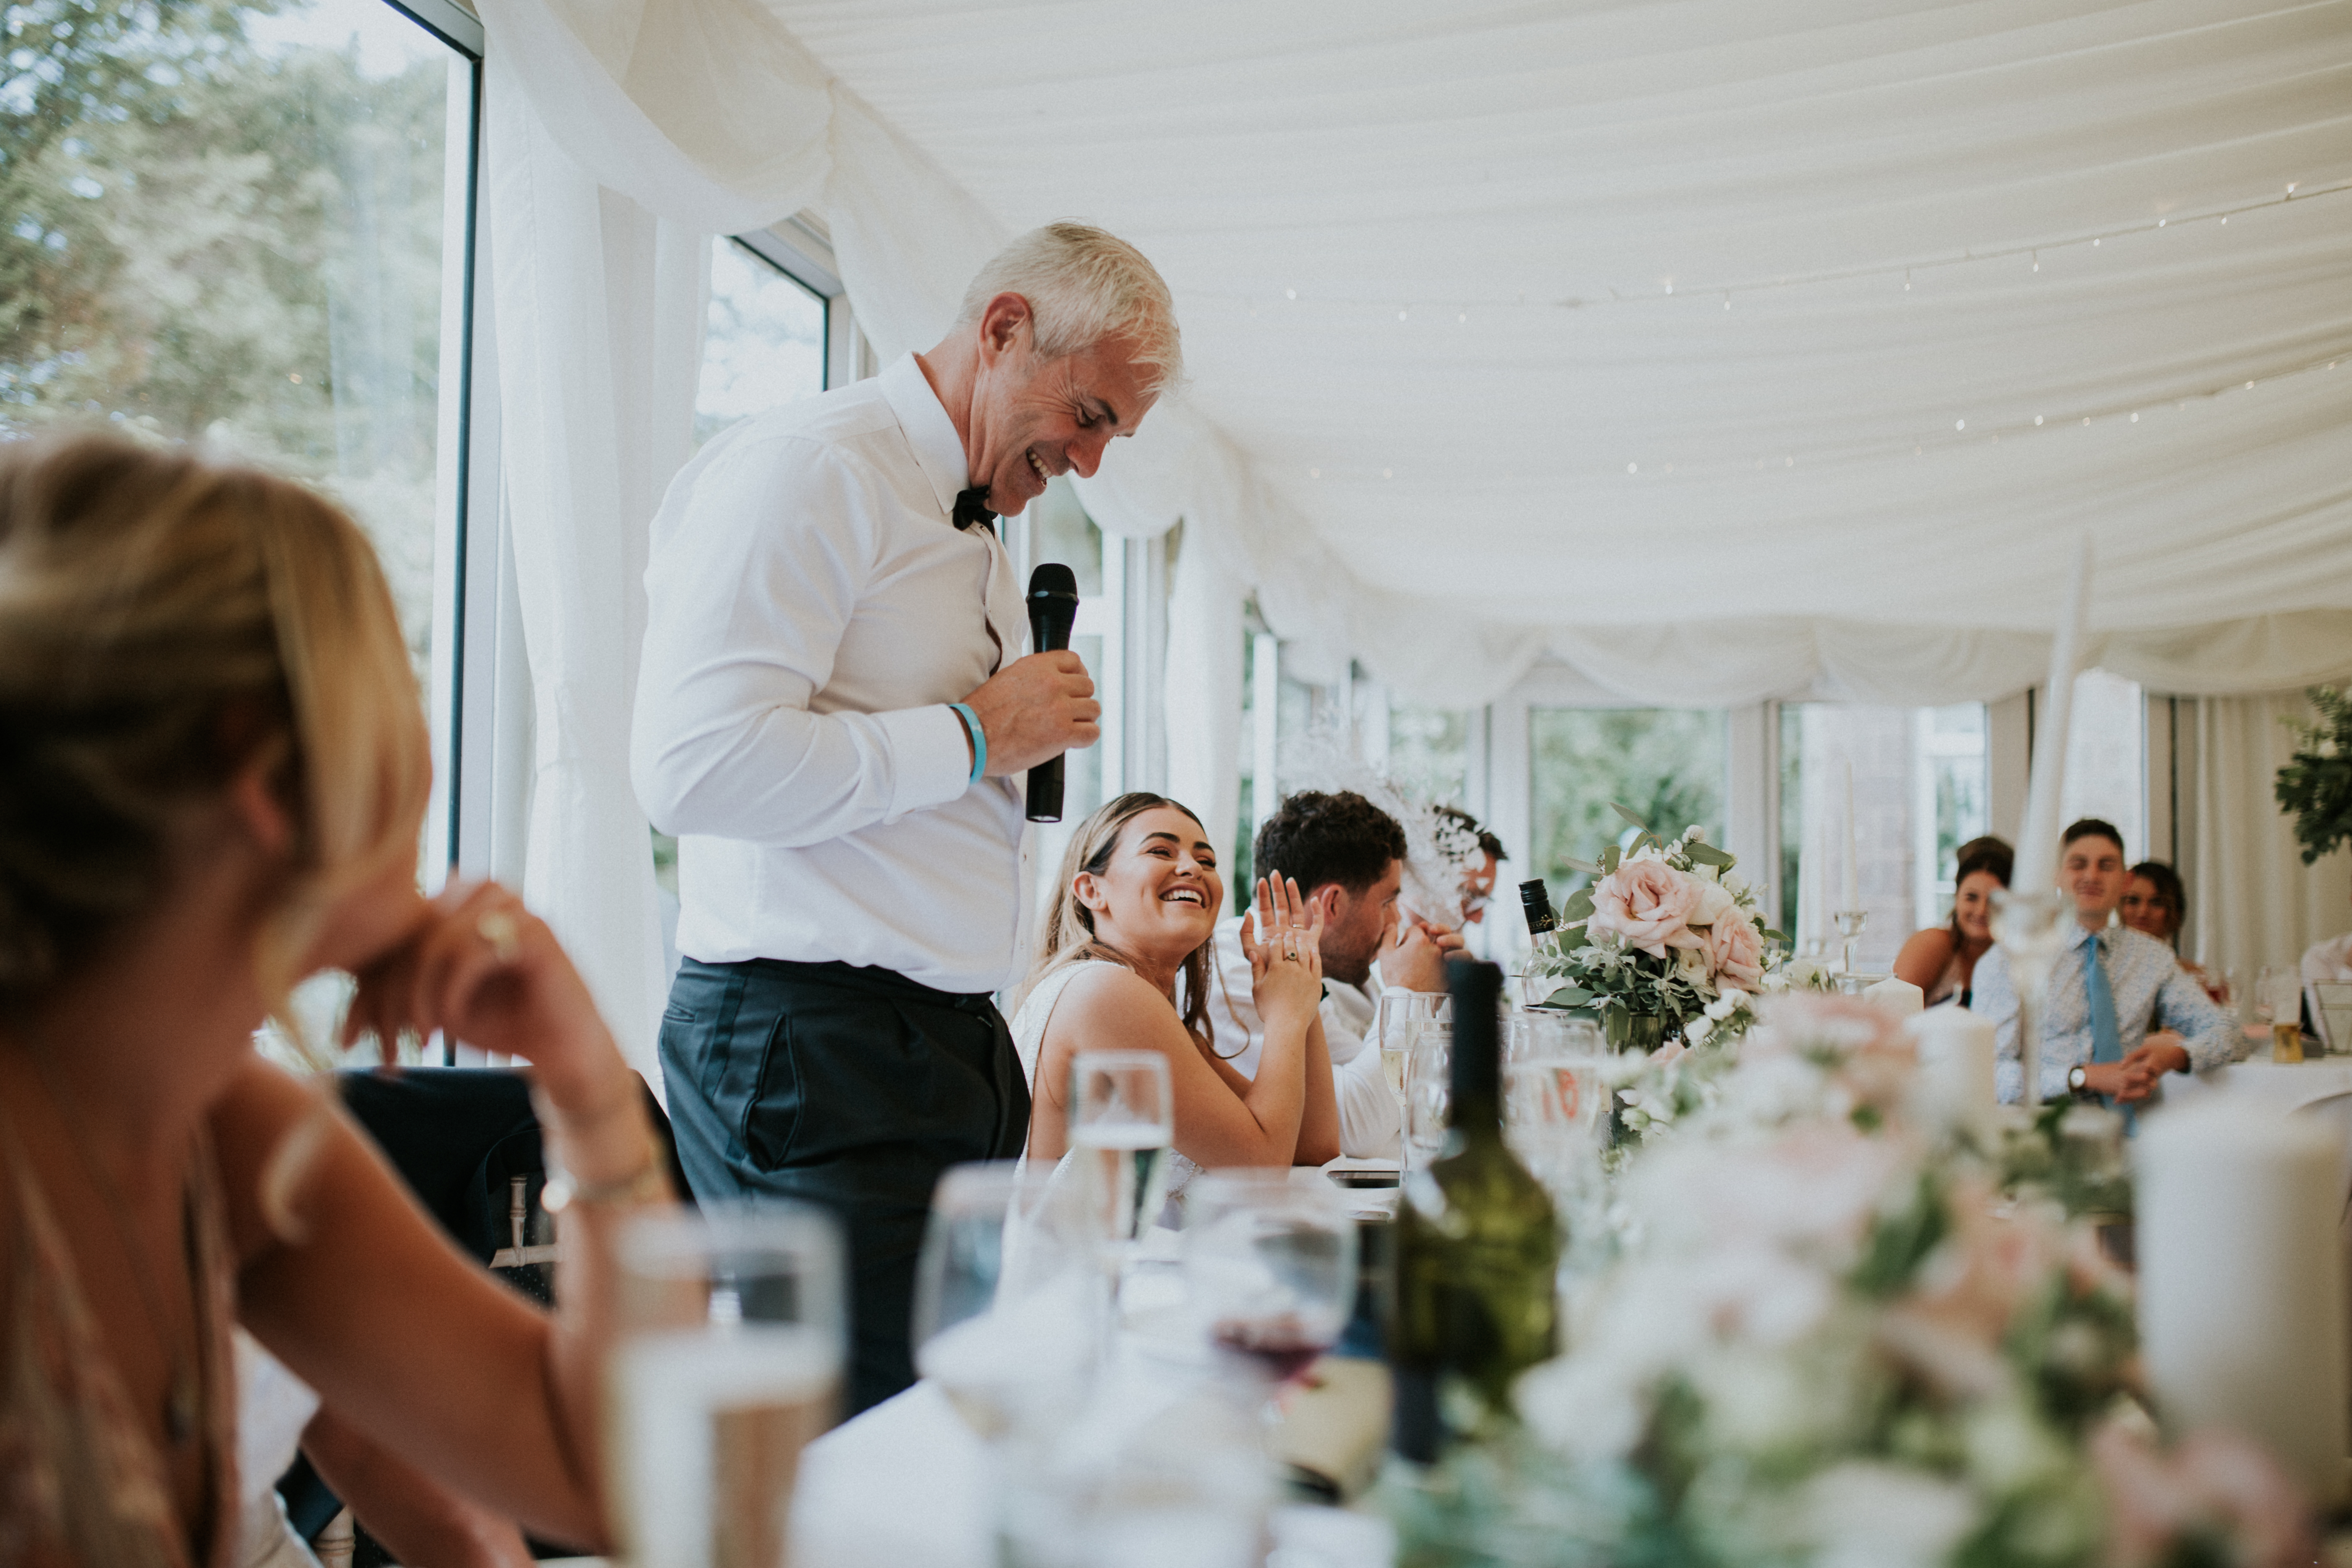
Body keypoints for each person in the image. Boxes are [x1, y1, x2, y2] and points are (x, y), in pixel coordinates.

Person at [0, 435, 671, 1564]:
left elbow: (609, 1475)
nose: (424, 752)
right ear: (266, 775)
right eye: (399, 696)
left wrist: (589, 1079)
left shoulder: (236, 1136)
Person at [631, 222, 1181, 1415]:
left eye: (1111, 438)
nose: (1088, 462)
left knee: (948, 1424)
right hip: (812, 1047)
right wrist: (979, 736)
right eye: (1087, 415)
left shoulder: (977, 522)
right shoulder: (811, 470)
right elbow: (690, 765)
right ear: (1003, 331)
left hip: (943, 1047)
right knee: (866, 1445)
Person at [1010, 794, 1339, 1188]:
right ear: (1092, 890)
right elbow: (1262, 1171)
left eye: (1207, 861)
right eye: (1161, 851)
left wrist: (1298, 981)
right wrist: (1286, 1016)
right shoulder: (1105, 992)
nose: (1191, 868)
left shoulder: (1160, 1019)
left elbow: (1314, 1147)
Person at [1205, 791, 1462, 1159]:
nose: (1396, 922)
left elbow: (1403, 1105)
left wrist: (1444, 997)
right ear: (1333, 903)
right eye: (1388, 902)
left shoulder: (1312, 970)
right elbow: (1354, 1129)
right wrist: (1409, 991)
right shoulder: (1242, 964)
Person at [1972, 819, 2233, 1109]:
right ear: (2057, 876)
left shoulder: (2151, 957)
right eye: (2078, 864)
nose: (2092, 875)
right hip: (2045, 1130)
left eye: (2106, 865)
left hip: (2129, 1130)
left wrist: (2176, 1055)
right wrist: (2082, 1077)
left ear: (2126, 881)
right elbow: (1989, 1071)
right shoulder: (2012, 957)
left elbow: (2226, 1032)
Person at [1892, 841, 2011, 1007]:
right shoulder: (1934, 944)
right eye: (1971, 897)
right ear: (1956, 898)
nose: (1982, 911)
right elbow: (1891, 1016)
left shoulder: (2017, 960)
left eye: (1994, 901)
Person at [2120, 860, 2227, 1005]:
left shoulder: (2195, 978)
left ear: (2174, 912)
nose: (2143, 912)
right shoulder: (2105, 970)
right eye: (2133, 901)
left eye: (2156, 903)